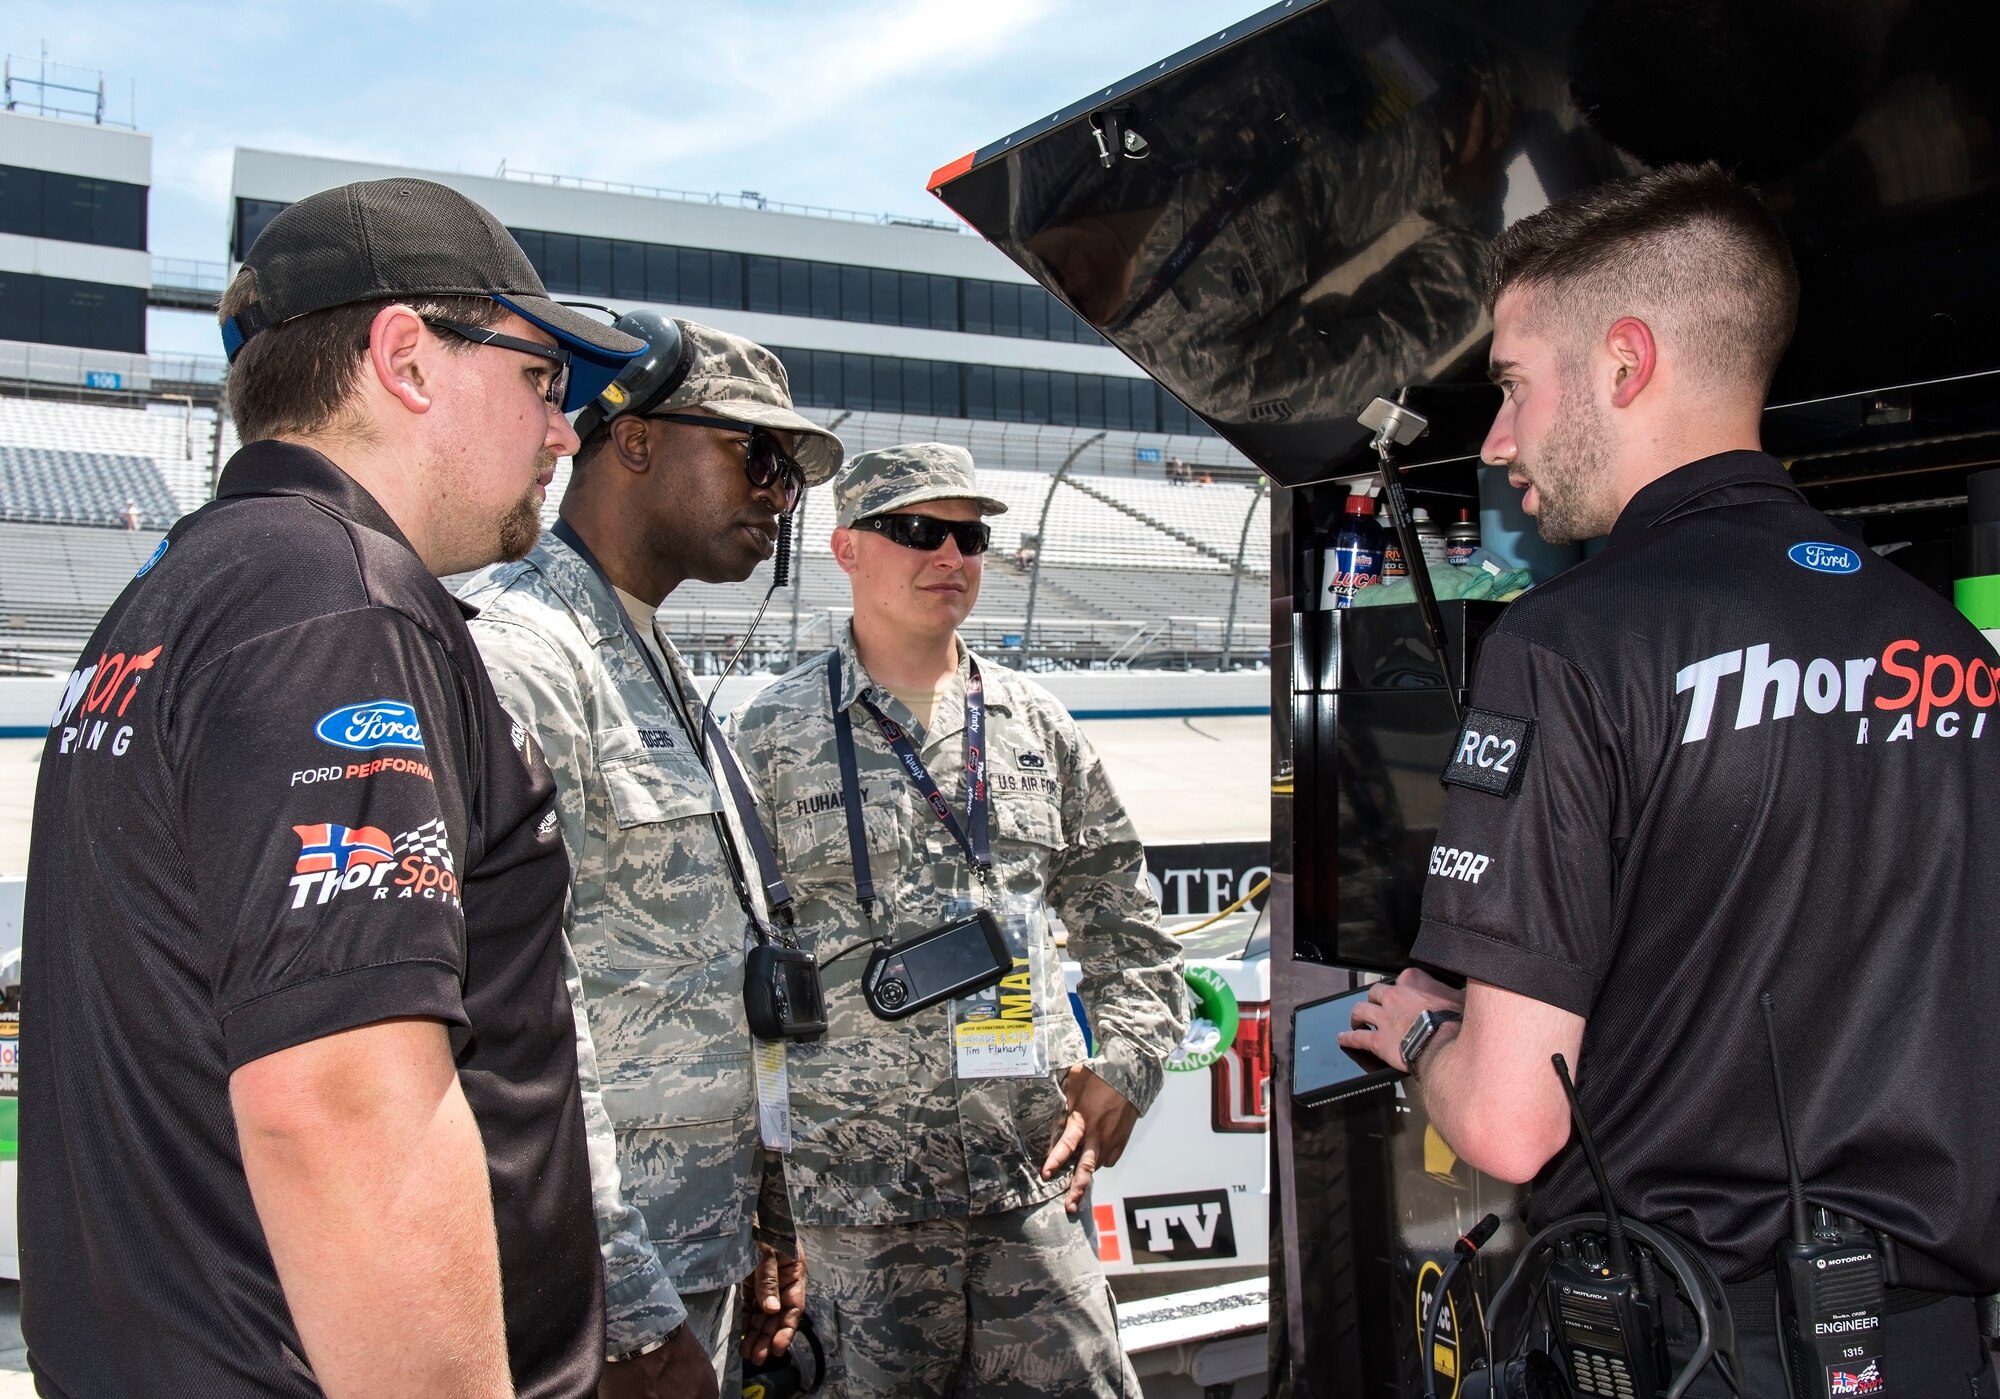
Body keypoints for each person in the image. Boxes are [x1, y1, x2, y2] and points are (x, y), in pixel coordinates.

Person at [1340, 163, 2000, 1392]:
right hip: (1926, 1353)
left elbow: (1504, 1120)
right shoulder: (1952, 646)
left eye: (1511, 386)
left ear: (1623, 363)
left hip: (1685, 1343)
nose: (1496, 443)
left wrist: (1423, 1027)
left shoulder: (1570, 647)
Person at [20, 177, 646, 1398]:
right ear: (406, 357)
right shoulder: (334, 605)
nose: (563, 429)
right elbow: (340, 1111)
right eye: (540, 377)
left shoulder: (187, 592)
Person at [730, 442, 1188, 1397]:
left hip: (1028, 1186)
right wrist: (761, 1204)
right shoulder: (769, 737)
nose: (951, 555)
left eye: (970, 535)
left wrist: (1129, 1068)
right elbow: (728, 976)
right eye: (917, 531)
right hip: (850, 1209)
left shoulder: (1036, 724)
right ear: (848, 548)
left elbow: (1126, 923)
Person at [460, 312, 844, 1399]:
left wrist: (766, 1216)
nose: (779, 493)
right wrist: (624, 1304)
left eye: (789, 472)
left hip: (692, 1251)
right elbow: (512, 1010)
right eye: (754, 454)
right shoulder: (525, 655)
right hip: (593, 1287)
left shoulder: (638, 644)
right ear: (632, 440)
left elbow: (707, 966)